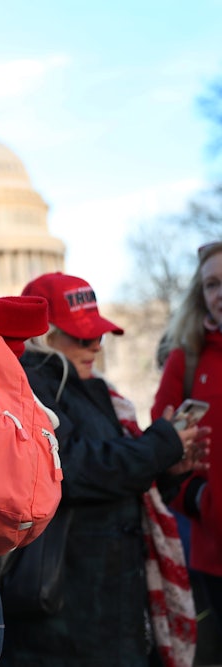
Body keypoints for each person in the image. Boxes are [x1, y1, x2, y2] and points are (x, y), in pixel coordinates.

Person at [1, 272, 208, 666]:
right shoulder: (29, 386)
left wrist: (168, 470)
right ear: (43, 334)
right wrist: (160, 444)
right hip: (66, 614)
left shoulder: (92, 388)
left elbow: (115, 487)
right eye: (82, 337)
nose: (95, 345)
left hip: (109, 603)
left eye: (98, 334)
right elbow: (72, 468)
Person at [153, 240, 222, 662]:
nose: (221, 293)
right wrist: (194, 497)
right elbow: (159, 447)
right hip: (214, 555)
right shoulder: (187, 360)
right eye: (213, 284)